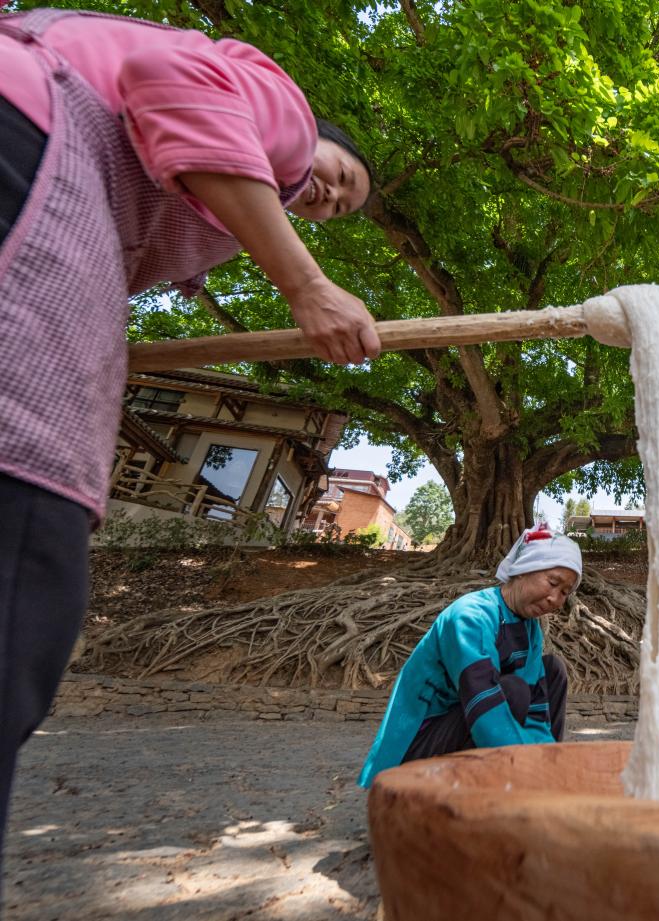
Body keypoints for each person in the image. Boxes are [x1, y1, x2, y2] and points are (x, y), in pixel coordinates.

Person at [0, 7, 382, 877]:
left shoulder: (195, 209)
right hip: (26, 142)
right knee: (24, 583)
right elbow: (172, 84)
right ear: (306, 136)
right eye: (337, 175)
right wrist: (309, 285)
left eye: (340, 210)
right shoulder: (275, 110)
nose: (325, 197)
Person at [359, 525, 580, 787]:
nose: (556, 598)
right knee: (513, 690)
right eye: (553, 582)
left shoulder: (531, 630)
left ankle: (536, 776)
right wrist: (526, 768)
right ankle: (490, 788)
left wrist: (545, 761)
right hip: (416, 747)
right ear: (524, 569)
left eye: (565, 592)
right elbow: (483, 700)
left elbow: (535, 710)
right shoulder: (470, 616)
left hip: (473, 728)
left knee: (552, 670)